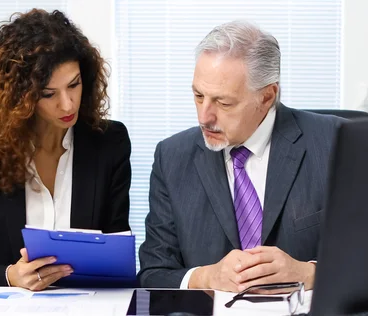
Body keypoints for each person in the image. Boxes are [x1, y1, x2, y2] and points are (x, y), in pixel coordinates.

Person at [137, 20, 344, 293]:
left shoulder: (335, 142)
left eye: (223, 102)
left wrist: (309, 273)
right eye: (199, 96)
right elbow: (152, 274)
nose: (204, 117)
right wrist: (206, 277)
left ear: (267, 96)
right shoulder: (172, 157)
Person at [0, 9, 131, 291]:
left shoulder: (109, 143)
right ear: (20, 97)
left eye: (74, 85)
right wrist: (11, 276)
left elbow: (116, 254)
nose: (68, 104)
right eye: (48, 94)